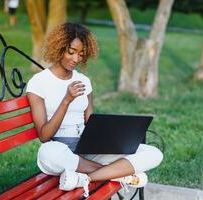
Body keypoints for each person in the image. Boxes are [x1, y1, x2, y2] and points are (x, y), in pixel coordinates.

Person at [26, 22, 163, 197]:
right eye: (71, 52)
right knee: (47, 153)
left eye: (81, 54)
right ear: (59, 47)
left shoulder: (84, 81)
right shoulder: (39, 83)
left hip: (87, 150)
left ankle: (86, 178)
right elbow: (44, 136)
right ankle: (119, 175)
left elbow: (91, 123)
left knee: (153, 153)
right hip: (61, 151)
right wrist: (66, 100)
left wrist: (113, 138)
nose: (76, 59)